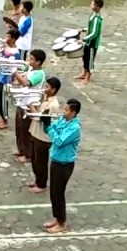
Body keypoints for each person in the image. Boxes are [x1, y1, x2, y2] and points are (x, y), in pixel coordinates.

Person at [45, 99, 82, 233]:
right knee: (53, 192)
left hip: (64, 164)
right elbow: (55, 128)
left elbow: (59, 140)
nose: (63, 112)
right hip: (55, 160)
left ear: (73, 112)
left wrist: (49, 128)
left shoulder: (74, 128)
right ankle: (57, 218)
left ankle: (62, 222)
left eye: (66, 110)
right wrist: (48, 125)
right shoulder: (63, 120)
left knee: (59, 193)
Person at [26, 78, 62, 194]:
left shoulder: (52, 105)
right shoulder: (45, 98)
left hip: (43, 137)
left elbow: (40, 117)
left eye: (47, 87)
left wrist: (30, 104)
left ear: (53, 90)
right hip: (35, 132)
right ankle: (37, 180)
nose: (44, 89)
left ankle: (41, 184)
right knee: (34, 159)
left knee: (40, 162)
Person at [12, 50, 48, 163]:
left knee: (26, 131)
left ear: (38, 62)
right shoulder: (31, 70)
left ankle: (28, 155)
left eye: (32, 59)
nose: (29, 60)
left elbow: (26, 83)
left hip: (30, 105)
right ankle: (21, 149)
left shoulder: (39, 74)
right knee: (19, 129)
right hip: (22, 102)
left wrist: (15, 72)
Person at [0, 29, 23, 130]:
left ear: (13, 39)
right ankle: (2, 117)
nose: (6, 38)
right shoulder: (6, 47)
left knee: (2, 98)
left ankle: (5, 120)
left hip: (7, 78)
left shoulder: (15, 52)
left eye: (8, 37)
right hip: (1, 75)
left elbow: (15, 67)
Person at [77, 0, 104, 84]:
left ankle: (88, 77)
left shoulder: (97, 19)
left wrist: (83, 39)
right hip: (88, 43)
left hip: (92, 43)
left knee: (90, 60)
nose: (91, 5)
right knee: (85, 58)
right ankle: (84, 73)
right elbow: (91, 28)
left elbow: (94, 33)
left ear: (97, 7)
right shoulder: (93, 15)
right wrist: (83, 30)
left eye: (93, 4)